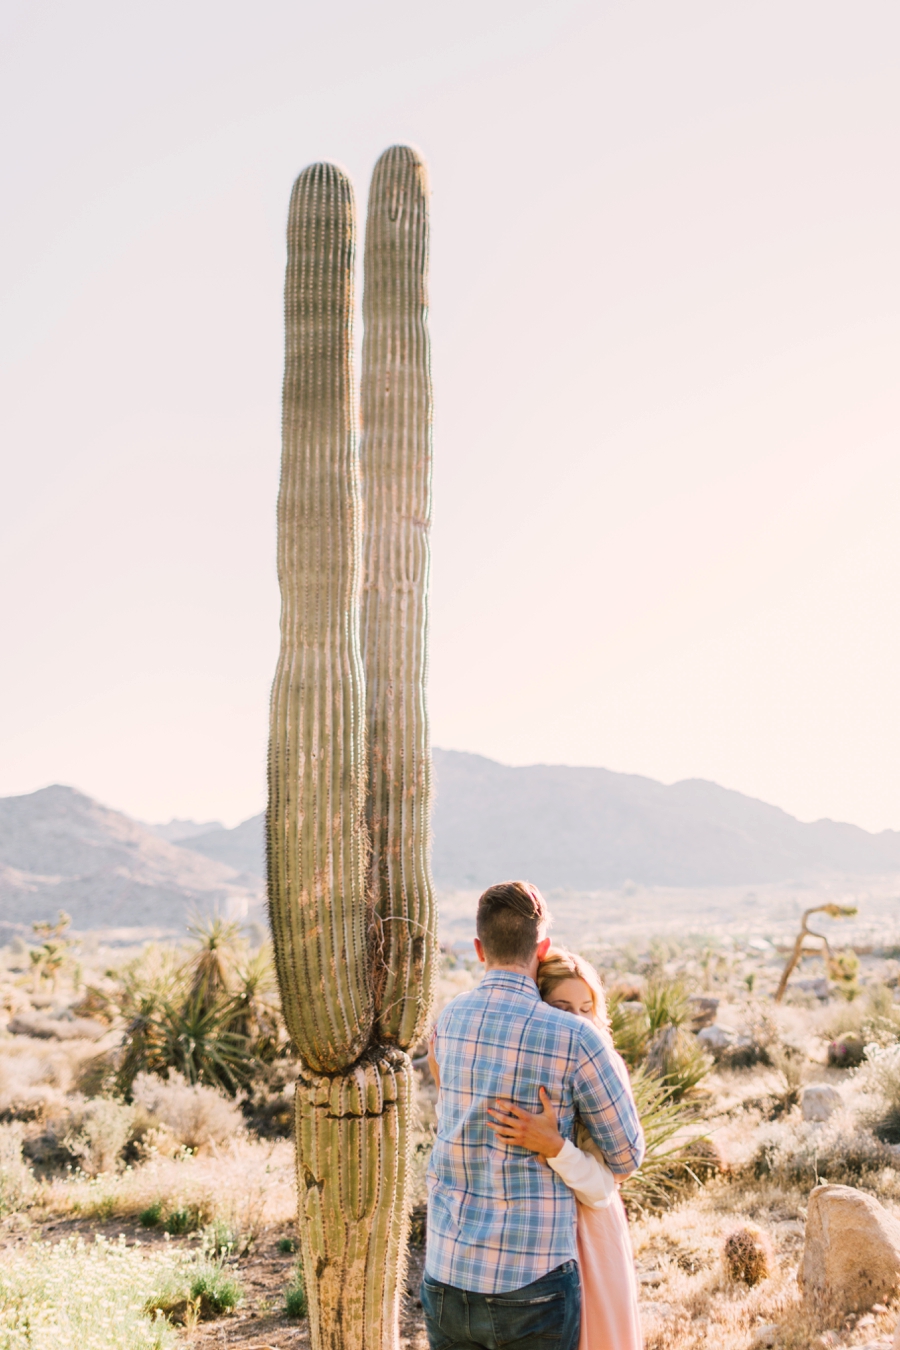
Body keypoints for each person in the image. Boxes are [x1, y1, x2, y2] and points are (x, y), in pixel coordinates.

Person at [424, 881, 644, 1350]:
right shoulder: (576, 1040)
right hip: (531, 1283)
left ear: (480, 949)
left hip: (446, 1273)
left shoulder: (448, 1020)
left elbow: (450, 1113)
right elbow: (626, 1159)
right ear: (541, 949)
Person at [488, 947, 644, 1350]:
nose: (577, 1021)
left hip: (588, 1231)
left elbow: (607, 1186)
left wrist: (555, 1147)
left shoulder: (602, 1066)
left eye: (586, 1008)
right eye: (562, 1007)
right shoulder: (515, 1062)